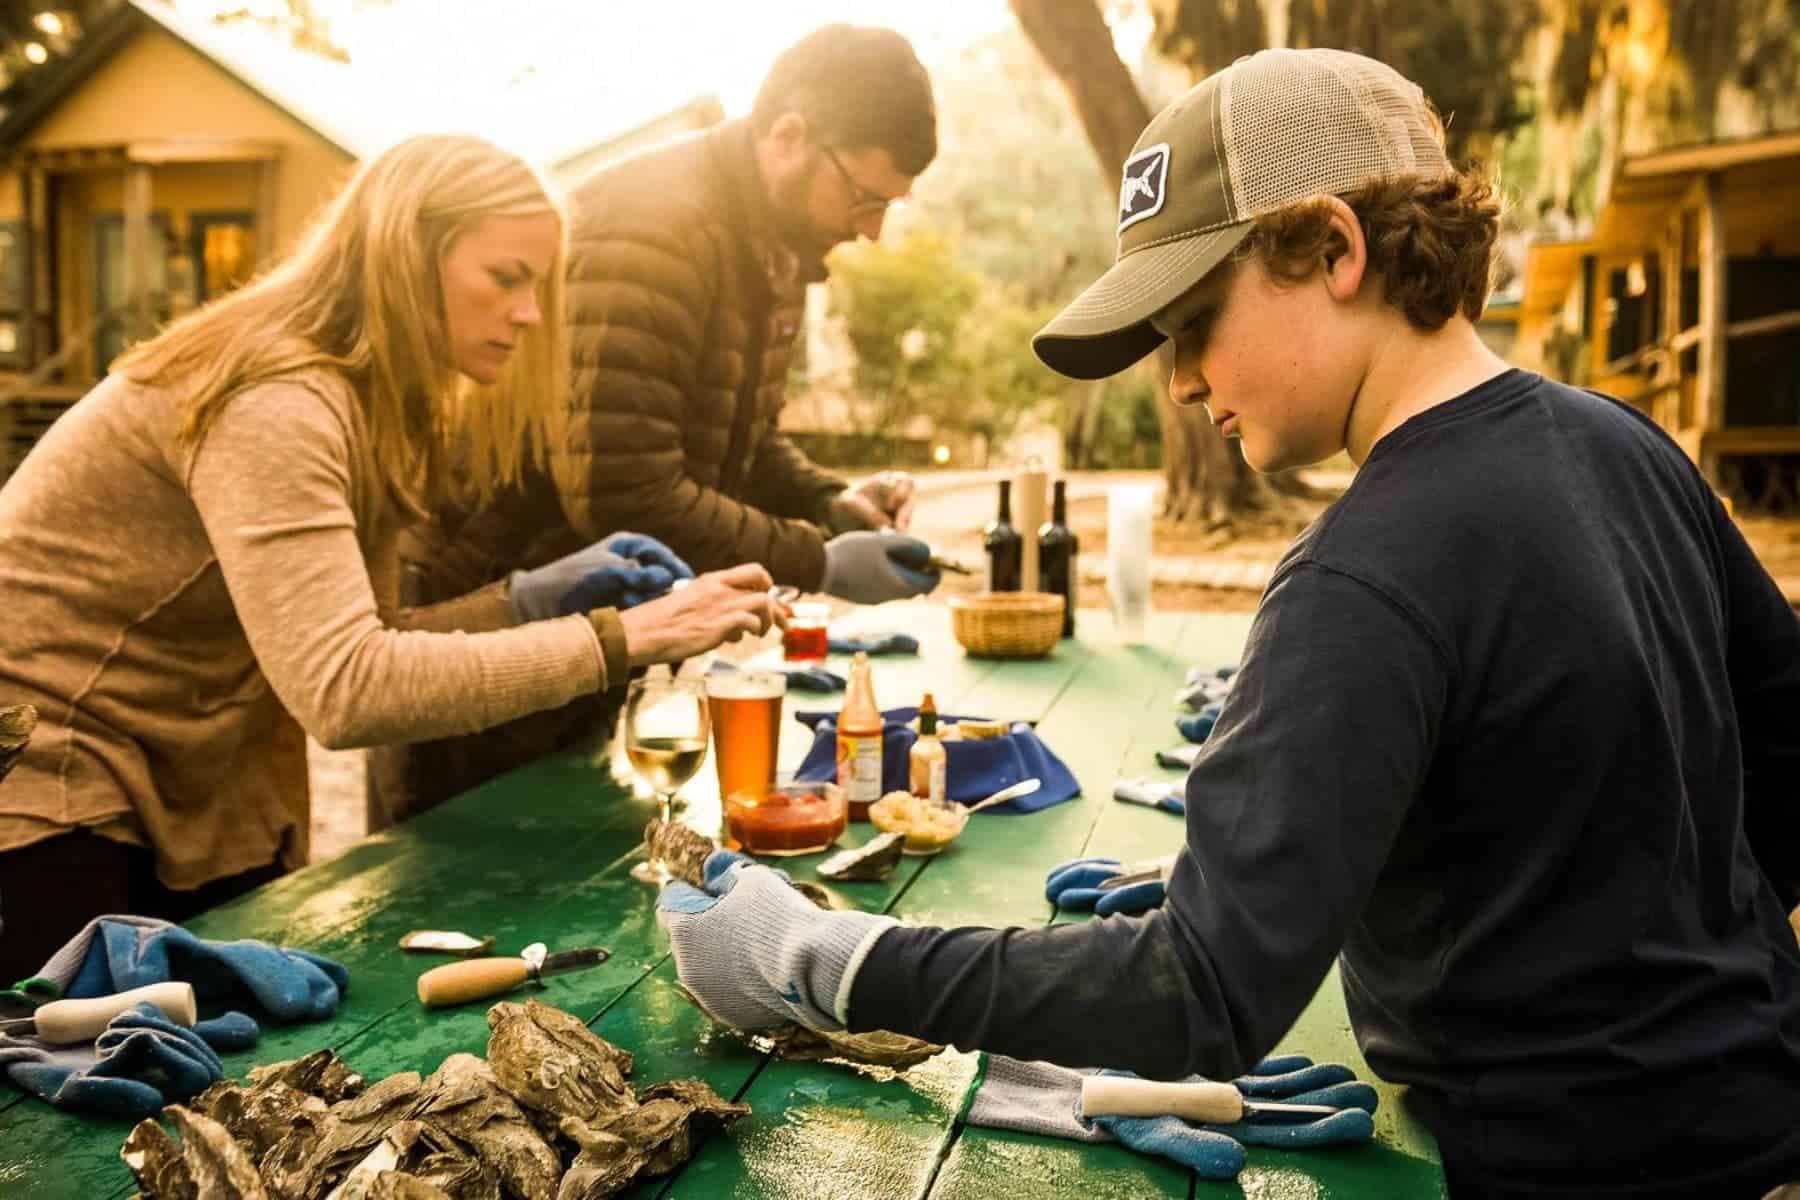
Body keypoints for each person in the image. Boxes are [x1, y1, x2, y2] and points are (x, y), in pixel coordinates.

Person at [657, 48, 1800, 1199]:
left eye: (1194, 321)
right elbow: (1771, 747)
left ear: (1336, 250)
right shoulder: (1630, 447)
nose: (1181, 383)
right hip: (1761, 1109)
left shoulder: (1364, 572)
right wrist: (1339, 853)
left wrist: (825, 958)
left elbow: (1200, 994)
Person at [0, 134, 777, 983]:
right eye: (506, 278)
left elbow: (371, 633)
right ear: (406, 257)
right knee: (76, 1055)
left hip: (181, 764)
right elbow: (347, 688)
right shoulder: (278, 400)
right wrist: (621, 639)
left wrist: (525, 598)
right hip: (49, 769)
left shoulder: (365, 401)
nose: (531, 314)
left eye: (539, 286)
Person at [374, 23, 945, 821]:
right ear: (789, 136)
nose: (871, 228)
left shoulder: (769, 245)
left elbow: (737, 438)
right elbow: (623, 489)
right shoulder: (655, 230)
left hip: (591, 647)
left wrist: (830, 501)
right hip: (482, 648)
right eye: (864, 197)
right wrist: (818, 560)